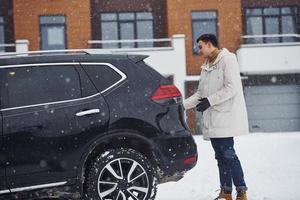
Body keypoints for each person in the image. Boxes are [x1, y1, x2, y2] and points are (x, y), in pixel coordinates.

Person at [183, 33, 249, 200]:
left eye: (200, 46)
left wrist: (210, 101)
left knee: (228, 154)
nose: (199, 50)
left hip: (225, 118)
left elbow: (232, 87)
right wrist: (180, 106)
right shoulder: (206, 66)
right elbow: (200, 94)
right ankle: (226, 192)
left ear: (209, 44)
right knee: (220, 157)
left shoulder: (228, 59)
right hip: (212, 120)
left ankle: (241, 190)